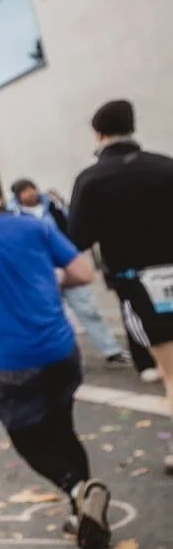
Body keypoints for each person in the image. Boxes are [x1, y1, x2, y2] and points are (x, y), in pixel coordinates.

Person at [0, 172, 111, 548]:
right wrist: (49, 280)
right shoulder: (33, 226)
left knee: (27, 437)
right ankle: (82, 513)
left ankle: (79, 489)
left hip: (9, 359)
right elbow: (82, 272)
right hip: (61, 349)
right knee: (62, 428)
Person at [67, 99, 173, 474]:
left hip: (137, 283)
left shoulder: (91, 180)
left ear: (98, 133)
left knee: (171, 367)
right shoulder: (165, 166)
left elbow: (76, 237)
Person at [9, 178, 124, 365]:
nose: (30, 193)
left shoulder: (55, 206)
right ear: (17, 196)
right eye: (24, 191)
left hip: (66, 264)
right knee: (53, 315)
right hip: (40, 271)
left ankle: (111, 350)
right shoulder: (14, 217)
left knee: (87, 309)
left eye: (32, 188)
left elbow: (73, 226)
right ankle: (66, 356)